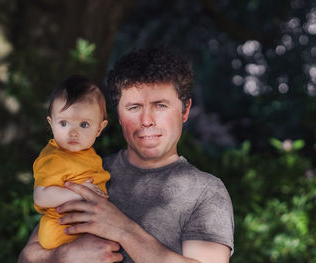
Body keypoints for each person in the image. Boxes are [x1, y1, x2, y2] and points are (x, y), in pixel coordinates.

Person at [19, 46, 234, 263]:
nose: (147, 120)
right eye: (133, 107)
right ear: (119, 116)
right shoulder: (90, 171)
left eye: (160, 106)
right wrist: (62, 256)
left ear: (185, 110)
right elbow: (27, 257)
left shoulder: (205, 192)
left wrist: (122, 229)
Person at [32, 74, 109, 249]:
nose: (73, 132)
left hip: (83, 228)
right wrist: (79, 193)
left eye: (83, 125)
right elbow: (41, 196)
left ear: (99, 128)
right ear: (51, 124)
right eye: (64, 123)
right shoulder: (54, 158)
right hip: (62, 233)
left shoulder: (87, 153)